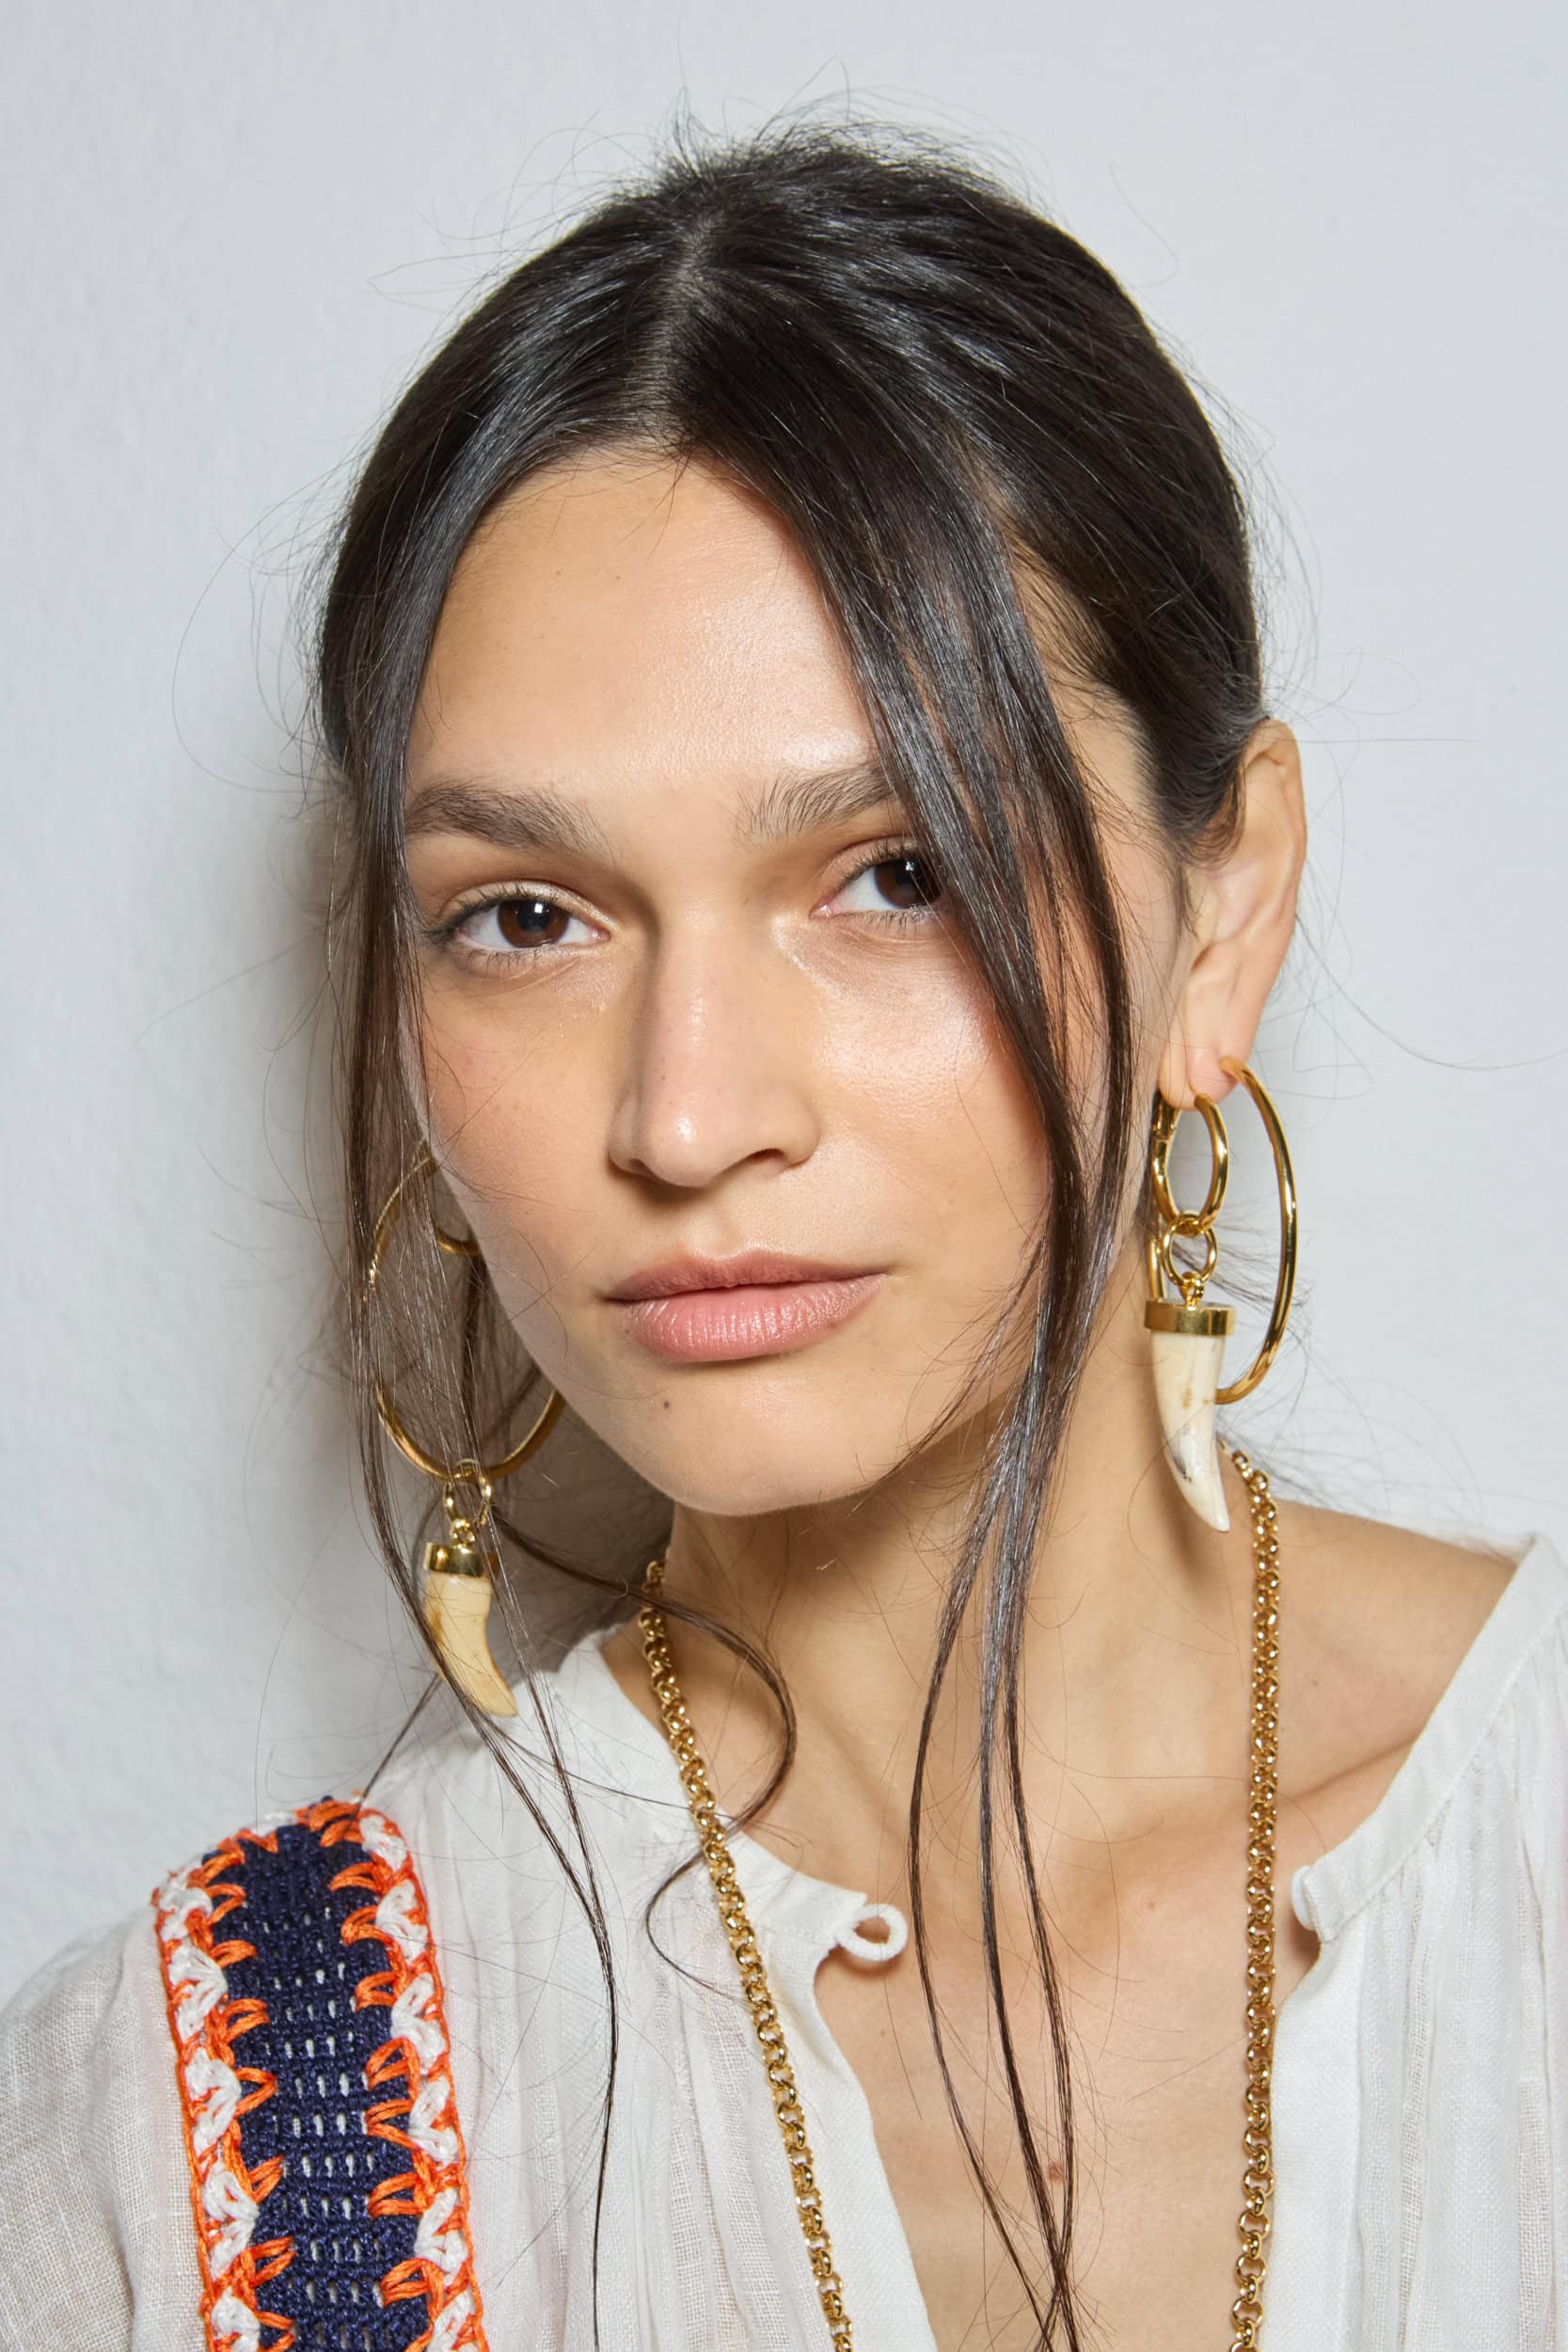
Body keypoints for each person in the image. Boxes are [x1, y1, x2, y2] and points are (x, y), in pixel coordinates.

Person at [1, 119, 1562, 2352]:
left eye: (893, 872)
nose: (687, 1114)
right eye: (524, 917)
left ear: (1222, 913)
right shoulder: (191, 2147)